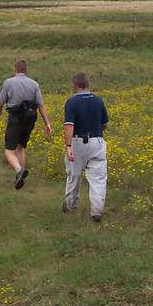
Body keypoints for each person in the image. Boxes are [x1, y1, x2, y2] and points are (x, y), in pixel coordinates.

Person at [0, 60, 52, 189]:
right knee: (21, 147)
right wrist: (47, 123)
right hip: (30, 119)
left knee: (9, 151)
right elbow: (40, 105)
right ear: (26, 70)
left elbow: (0, 103)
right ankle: (20, 177)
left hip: (15, 118)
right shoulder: (34, 84)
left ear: (15, 69)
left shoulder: (8, 82)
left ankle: (19, 171)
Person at [62, 72, 109, 221]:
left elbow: (69, 126)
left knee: (74, 176)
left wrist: (68, 145)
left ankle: (70, 206)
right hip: (96, 141)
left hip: (77, 142)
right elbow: (105, 124)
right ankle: (96, 211)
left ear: (75, 85)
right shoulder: (98, 101)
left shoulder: (72, 102)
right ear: (88, 84)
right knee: (98, 178)